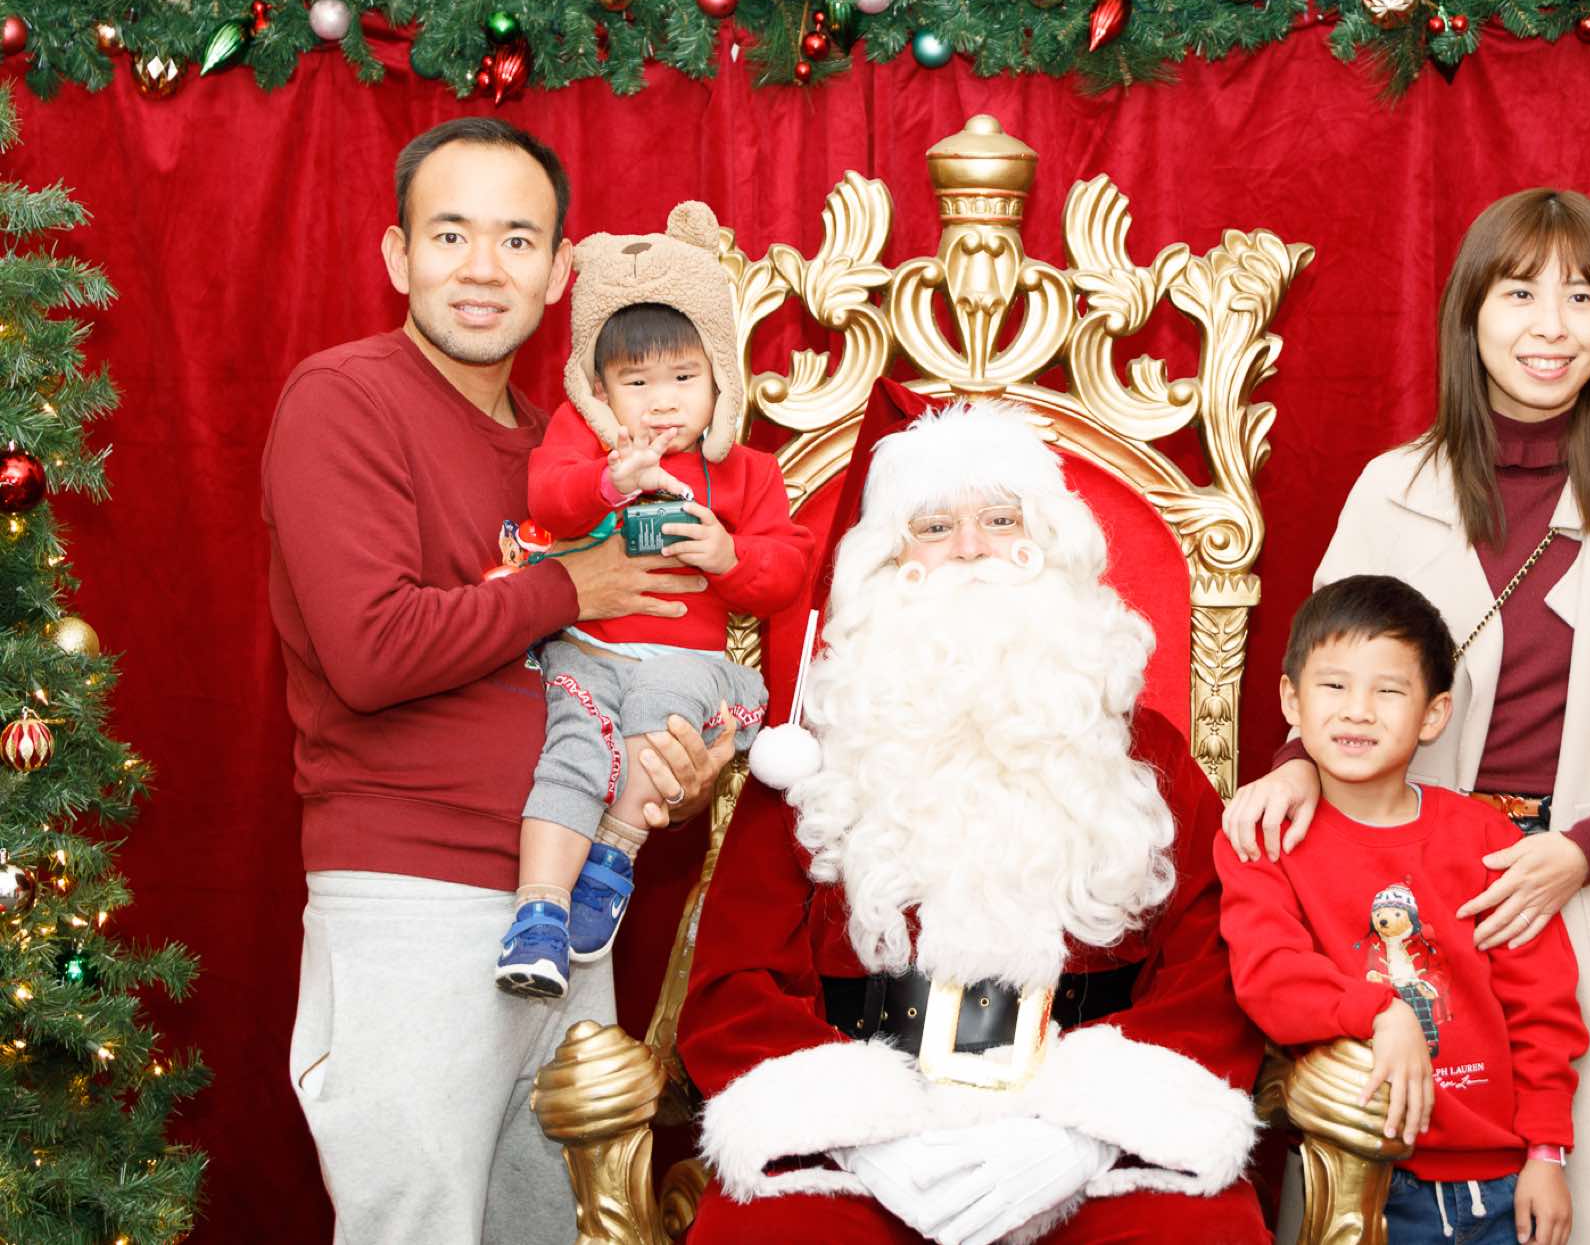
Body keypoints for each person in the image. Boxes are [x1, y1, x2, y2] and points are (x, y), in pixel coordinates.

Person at [1224, 188, 1590, 1245]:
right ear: (1469, 313)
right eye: (1518, 293)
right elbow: (1331, 661)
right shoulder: (1392, 490)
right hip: (1424, 902)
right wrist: (1294, 763)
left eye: (1582, 296)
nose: (1549, 326)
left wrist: (1582, 850)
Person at [262, 117, 734, 1244]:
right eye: (450, 234)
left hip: (562, 904)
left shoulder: (569, 453)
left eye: (516, 240)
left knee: (557, 1227)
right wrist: (574, 584)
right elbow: (371, 650)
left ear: (559, 272)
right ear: (397, 255)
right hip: (414, 898)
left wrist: (676, 768)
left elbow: (612, 661)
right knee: (416, 1223)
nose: (483, 268)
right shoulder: (344, 399)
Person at [678, 389, 1268, 1245]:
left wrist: (1082, 1135)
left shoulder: (1142, 749)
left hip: (1084, 1135)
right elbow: (733, 982)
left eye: (1000, 519)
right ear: (883, 560)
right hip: (863, 1145)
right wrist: (864, 1137)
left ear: (1051, 542)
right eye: (933, 526)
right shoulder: (809, 755)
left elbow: (1214, 959)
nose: (969, 549)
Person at [495, 204, 812, 998]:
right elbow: (550, 496)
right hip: (590, 651)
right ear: (598, 389)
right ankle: (537, 912)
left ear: (720, 379)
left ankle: (614, 856)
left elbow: (786, 570)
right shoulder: (586, 443)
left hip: (684, 659)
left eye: (684, 378)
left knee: (659, 726)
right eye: (636, 384)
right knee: (571, 754)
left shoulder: (747, 472)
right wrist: (610, 480)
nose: (662, 402)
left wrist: (730, 556)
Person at [1215, 575, 1586, 1245]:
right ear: (1291, 700)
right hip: (1368, 1179)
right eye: (1334, 686)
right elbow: (1270, 976)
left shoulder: (1486, 838)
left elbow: (1542, 1004)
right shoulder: (1264, 838)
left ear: (1434, 715)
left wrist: (1546, 1152)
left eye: (1387, 691)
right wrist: (1381, 1010)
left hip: (1500, 1181)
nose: (1357, 711)